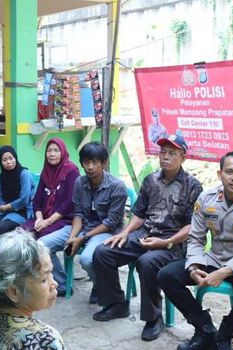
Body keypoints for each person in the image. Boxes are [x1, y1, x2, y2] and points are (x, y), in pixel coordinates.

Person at [92, 134, 203, 342]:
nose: (165, 157)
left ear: (183, 157)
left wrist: (164, 242)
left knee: (147, 262)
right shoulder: (151, 180)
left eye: (172, 153)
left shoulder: (193, 186)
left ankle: (154, 318)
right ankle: (116, 304)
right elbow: (140, 214)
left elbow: (192, 226)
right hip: (145, 234)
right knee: (103, 251)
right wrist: (124, 232)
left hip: (173, 243)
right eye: (163, 152)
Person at [158, 151, 233, 350]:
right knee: (166, 275)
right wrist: (194, 265)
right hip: (214, 259)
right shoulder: (206, 199)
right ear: (220, 174)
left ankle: (224, 335)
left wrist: (225, 272)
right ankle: (204, 330)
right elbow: (196, 238)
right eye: (229, 171)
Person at [39, 142, 127, 300]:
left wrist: (82, 238)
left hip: (106, 231)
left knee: (86, 259)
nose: (91, 167)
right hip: (82, 227)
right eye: (87, 162)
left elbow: (111, 222)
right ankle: (62, 283)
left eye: (95, 162)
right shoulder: (80, 182)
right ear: (82, 164)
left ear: (104, 163)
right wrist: (73, 236)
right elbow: (78, 214)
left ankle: (100, 287)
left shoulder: (117, 186)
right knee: (40, 246)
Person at [0, 231, 64, 350]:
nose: (54, 284)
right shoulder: (44, 340)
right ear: (13, 292)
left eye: (51, 273)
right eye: (44, 279)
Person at [20, 138, 79, 238]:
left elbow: (69, 203)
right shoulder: (46, 171)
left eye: (56, 150)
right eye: (49, 150)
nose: (52, 154)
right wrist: (39, 218)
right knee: (20, 233)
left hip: (63, 219)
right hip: (44, 217)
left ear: (63, 152)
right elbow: (37, 200)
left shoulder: (71, 171)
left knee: (41, 237)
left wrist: (47, 222)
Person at [0, 146, 35, 238]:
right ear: (0, 162)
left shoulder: (24, 174)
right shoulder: (1, 176)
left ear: (15, 158)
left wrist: (6, 207)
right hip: (5, 211)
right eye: (4, 160)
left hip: (23, 211)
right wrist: (3, 207)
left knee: (1, 228)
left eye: (11, 158)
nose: (8, 162)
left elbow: (24, 199)